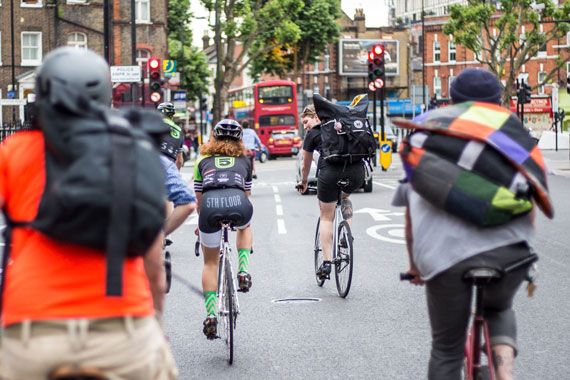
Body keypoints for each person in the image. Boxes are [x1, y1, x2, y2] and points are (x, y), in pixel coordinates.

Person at [0, 47, 177, 379]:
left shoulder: (14, 152)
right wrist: (153, 323)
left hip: (33, 331)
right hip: (121, 330)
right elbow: (154, 263)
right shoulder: (131, 149)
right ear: (106, 96)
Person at [394, 68, 536, 380]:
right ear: (497, 102)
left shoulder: (425, 135)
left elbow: (410, 214)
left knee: (447, 347)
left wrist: (415, 265)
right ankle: (505, 375)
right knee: (499, 309)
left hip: (446, 259)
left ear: (452, 101)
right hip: (508, 254)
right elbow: (532, 202)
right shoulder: (515, 135)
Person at [193, 119, 254, 339]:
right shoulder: (245, 160)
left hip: (210, 208)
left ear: (214, 137)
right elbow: (247, 194)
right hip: (238, 202)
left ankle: (211, 314)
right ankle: (243, 270)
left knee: (210, 263)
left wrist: (201, 225)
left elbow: (198, 199)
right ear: (240, 139)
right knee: (245, 226)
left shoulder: (202, 159)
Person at [298, 104, 365, 280]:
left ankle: (327, 262)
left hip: (329, 173)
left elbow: (305, 164)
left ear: (316, 117)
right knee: (345, 197)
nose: (305, 126)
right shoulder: (346, 124)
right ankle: (347, 235)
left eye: (306, 121)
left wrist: (304, 182)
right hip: (357, 173)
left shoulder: (313, 134)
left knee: (326, 216)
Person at [158, 102, 184, 170]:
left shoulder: (155, 125)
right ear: (172, 115)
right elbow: (180, 161)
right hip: (170, 167)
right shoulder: (179, 131)